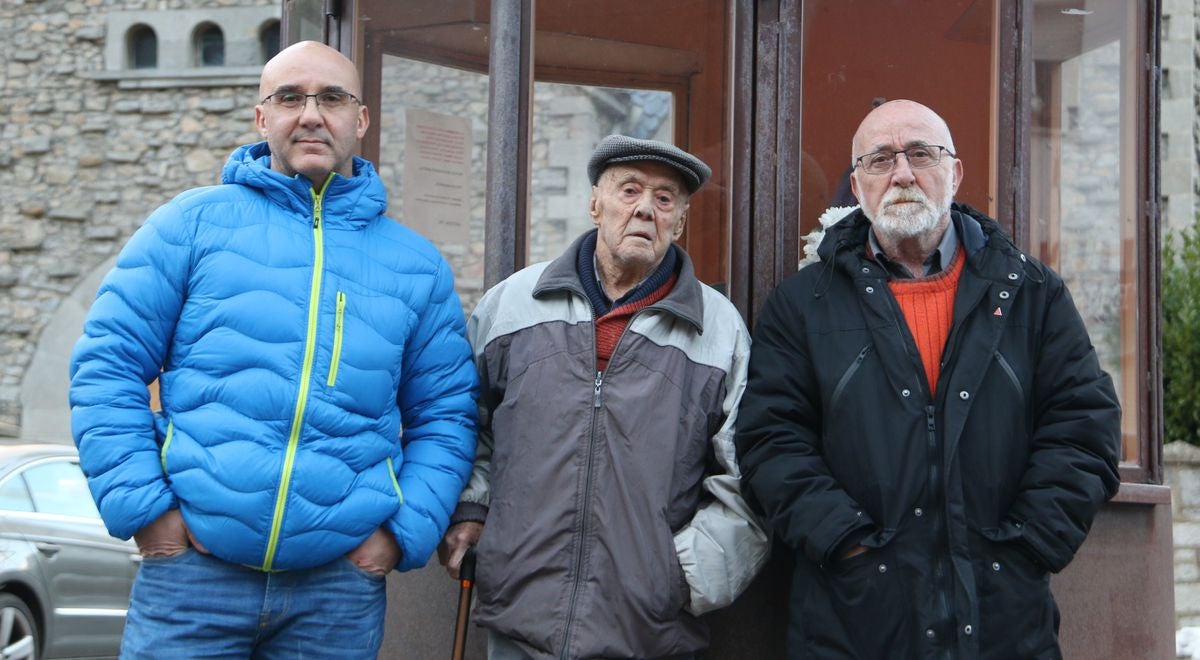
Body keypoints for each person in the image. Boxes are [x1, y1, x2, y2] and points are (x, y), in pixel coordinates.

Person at [68, 41, 478, 658]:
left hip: (337, 594)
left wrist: (398, 536)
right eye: (290, 97)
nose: (311, 114)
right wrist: (150, 514)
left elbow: (447, 415)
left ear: (359, 120)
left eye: (332, 98)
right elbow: (107, 365)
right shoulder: (191, 225)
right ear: (263, 118)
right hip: (191, 583)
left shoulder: (416, 266)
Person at [735, 100, 1121, 659]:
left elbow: (1084, 428)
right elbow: (771, 441)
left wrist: (1027, 547)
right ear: (858, 185)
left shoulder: (1032, 292)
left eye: (921, 153)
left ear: (955, 173)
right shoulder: (802, 305)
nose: (903, 173)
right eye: (880, 159)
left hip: (1004, 622)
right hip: (853, 622)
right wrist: (847, 545)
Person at [437, 135, 770, 659]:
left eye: (664, 199)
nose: (644, 209)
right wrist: (471, 508)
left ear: (679, 222)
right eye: (629, 190)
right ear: (595, 204)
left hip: (650, 631)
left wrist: (681, 577)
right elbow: (463, 422)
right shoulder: (513, 304)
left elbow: (747, 475)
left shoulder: (720, 331)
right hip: (520, 616)